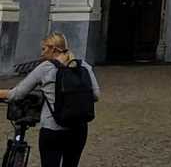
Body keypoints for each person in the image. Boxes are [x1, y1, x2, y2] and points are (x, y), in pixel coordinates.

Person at [0, 32, 100, 167]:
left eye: (44, 48)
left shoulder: (46, 68)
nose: (42, 53)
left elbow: (16, 94)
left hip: (53, 129)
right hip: (79, 129)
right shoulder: (83, 66)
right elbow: (96, 95)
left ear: (53, 49)